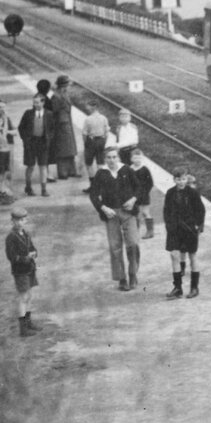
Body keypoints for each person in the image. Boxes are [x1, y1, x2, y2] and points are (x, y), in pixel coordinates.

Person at [89, 146, 137, 290]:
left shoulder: (127, 170)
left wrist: (133, 199)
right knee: (115, 246)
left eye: (114, 157)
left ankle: (133, 274)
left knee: (133, 243)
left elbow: (139, 187)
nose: (111, 160)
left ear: (119, 158)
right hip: (111, 214)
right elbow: (93, 194)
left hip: (128, 212)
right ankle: (122, 278)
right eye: (108, 157)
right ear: (105, 159)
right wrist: (103, 208)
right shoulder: (101, 173)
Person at [163, 167, 206, 299]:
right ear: (174, 179)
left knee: (192, 256)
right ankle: (178, 288)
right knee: (174, 255)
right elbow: (166, 211)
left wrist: (197, 225)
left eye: (183, 179)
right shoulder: (170, 193)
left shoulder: (193, 193)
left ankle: (194, 287)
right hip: (175, 229)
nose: (181, 182)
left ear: (187, 179)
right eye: (178, 179)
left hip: (189, 229)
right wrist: (169, 226)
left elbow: (201, 210)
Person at [5, 205, 41, 338]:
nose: (21, 222)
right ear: (12, 221)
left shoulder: (26, 234)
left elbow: (32, 247)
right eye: (18, 220)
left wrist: (34, 253)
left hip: (29, 269)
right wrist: (25, 258)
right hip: (20, 271)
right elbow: (12, 257)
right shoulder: (11, 237)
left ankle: (28, 321)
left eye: (23, 220)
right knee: (23, 297)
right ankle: (23, 329)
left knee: (29, 295)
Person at [18, 93, 56, 196]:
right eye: (34, 102)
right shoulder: (28, 113)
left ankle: (44, 189)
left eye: (38, 102)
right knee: (30, 166)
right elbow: (21, 127)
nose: (36, 105)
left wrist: (49, 138)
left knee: (43, 166)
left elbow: (53, 128)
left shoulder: (49, 114)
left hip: (43, 143)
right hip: (30, 143)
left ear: (43, 102)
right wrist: (25, 140)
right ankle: (28, 187)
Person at [49, 75, 80, 181]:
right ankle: (63, 173)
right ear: (64, 86)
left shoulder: (64, 94)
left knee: (70, 148)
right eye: (68, 85)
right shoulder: (56, 97)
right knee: (62, 149)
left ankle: (71, 171)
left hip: (67, 124)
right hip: (60, 125)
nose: (69, 87)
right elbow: (52, 112)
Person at [80, 102, 111, 190]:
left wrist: (85, 143)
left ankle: (93, 185)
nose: (87, 108)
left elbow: (84, 133)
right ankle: (101, 185)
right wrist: (104, 141)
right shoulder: (104, 118)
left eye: (88, 106)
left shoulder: (88, 119)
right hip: (101, 140)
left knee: (89, 163)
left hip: (91, 141)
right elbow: (107, 132)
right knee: (100, 163)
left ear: (93, 107)